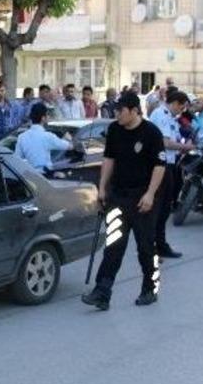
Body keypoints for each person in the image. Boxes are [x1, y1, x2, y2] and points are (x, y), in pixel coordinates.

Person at [81, 91, 167, 310]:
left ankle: (150, 288)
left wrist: (150, 194)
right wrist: (102, 188)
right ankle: (102, 292)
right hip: (119, 195)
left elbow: (159, 166)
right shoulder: (115, 130)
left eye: (121, 110)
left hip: (143, 198)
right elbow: (109, 159)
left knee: (146, 247)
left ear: (134, 110)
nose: (117, 114)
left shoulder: (151, 133)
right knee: (114, 245)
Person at [148, 91, 193, 259]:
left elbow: (174, 138)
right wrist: (185, 147)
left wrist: (184, 142)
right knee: (158, 209)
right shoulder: (161, 115)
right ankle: (152, 247)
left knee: (165, 208)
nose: (182, 110)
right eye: (181, 106)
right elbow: (165, 143)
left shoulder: (170, 118)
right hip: (161, 166)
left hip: (170, 165)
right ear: (174, 103)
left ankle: (161, 244)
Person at [15, 102, 72, 173]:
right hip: (46, 176)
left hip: (28, 176)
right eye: (47, 114)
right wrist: (68, 139)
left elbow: (17, 159)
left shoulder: (21, 137)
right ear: (43, 118)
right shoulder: (48, 136)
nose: (48, 117)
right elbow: (69, 147)